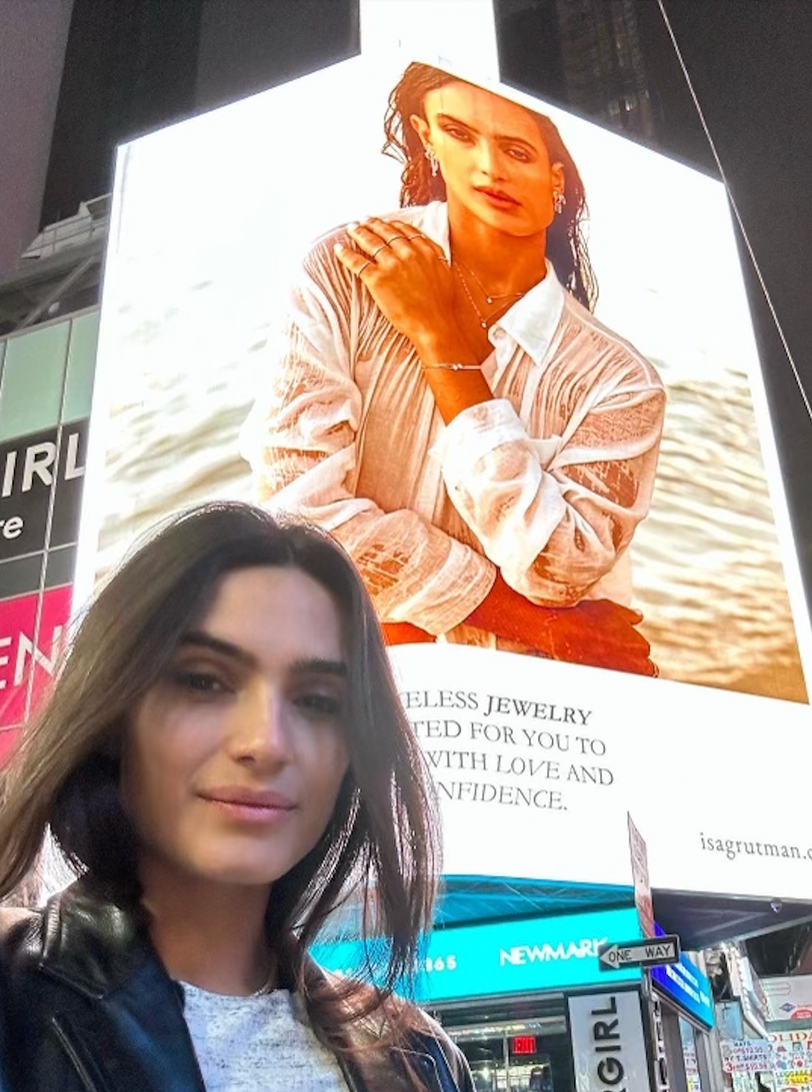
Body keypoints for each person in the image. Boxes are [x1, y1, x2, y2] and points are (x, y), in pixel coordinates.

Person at [0, 502, 506, 1092]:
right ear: (118, 712)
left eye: (317, 700)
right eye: (205, 680)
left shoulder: (420, 1063)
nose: (265, 741)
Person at [244, 61, 665, 675]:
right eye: (460, 134)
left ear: (558, 179)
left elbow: (558, 569)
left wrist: (439, 337)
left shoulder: (618, 380)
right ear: (428, 138)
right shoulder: (343, 270)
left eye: (516, 149)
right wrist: (541, 626)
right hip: (336, 684)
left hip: (539, 722)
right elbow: (297, 518)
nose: (489, 169)